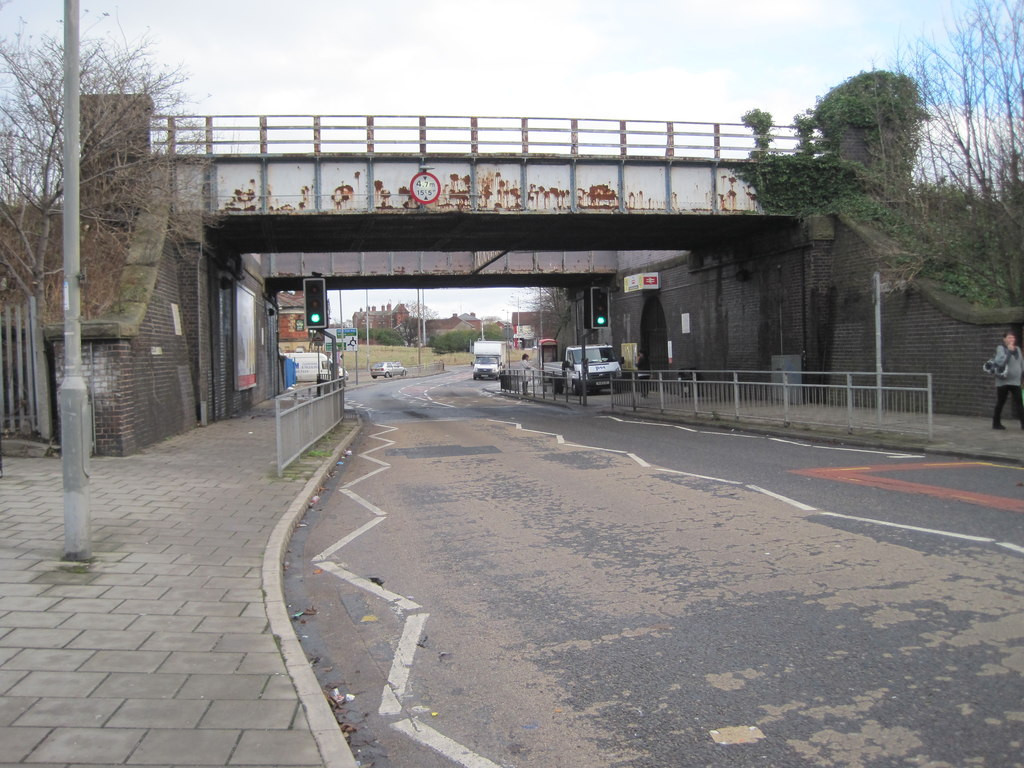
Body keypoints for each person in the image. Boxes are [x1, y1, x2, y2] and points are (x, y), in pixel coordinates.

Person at [990, 331, 1024, 430]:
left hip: (1015, 381)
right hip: (1003, 382)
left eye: (1013, 338)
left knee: (1019, 402)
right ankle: (996, 423)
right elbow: (1000, 362)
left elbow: (1021, 362)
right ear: (1004, 339)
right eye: (1009, 338)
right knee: (1001, 402)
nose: (1011, 340)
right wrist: (1008, 351)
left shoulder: (1017, 349)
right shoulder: (1000, 348)